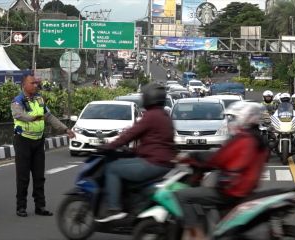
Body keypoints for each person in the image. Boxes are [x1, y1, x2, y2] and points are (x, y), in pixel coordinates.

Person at [174, 101, 270, 240]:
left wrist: (193, 157)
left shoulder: (244, 139)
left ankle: (197, 235)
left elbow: (218, 159)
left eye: (233, 118)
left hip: (231, 190)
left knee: (183, 196)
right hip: (246, 189)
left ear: (243, 118)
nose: (231, 122)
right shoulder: (258, 140)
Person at [96, 83, 176, 222]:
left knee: (113, 168)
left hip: (153, 163)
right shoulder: (164, 116)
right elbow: (155, 143)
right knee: (123, 164)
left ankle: (114, 208)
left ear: (149, 98)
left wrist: (109, 146)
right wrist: (133, 150)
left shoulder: (151, 116)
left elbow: (130, 135)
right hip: (164, 163)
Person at [11, 74, 75, 217]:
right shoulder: (18, 100)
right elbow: (18, 115)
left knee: (39, 176)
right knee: (23, 177)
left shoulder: (39, 99)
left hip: (38, 141)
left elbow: (49, 117)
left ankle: (40, 206)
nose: (35, 85)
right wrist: (33, 118)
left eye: (36, 83)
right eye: (32, 83)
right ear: (24, 85)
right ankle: (21, 207)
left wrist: (65, 129)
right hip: (23, 141)